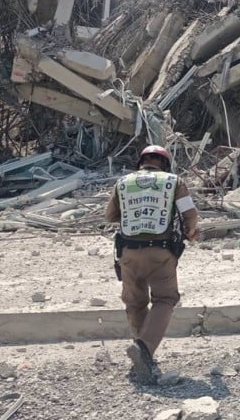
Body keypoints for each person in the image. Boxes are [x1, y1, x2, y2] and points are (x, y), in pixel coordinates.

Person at [105, 144, 199, 382]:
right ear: (165, 164)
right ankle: (144, 349)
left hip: (127, 253)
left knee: (135, 303)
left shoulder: (123, 182)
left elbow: (110, 216)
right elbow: (190, 214)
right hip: (160, 252)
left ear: (141, 162)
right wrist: (190, 232)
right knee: (165, 299)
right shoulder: (174, 182)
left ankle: (143, 356)